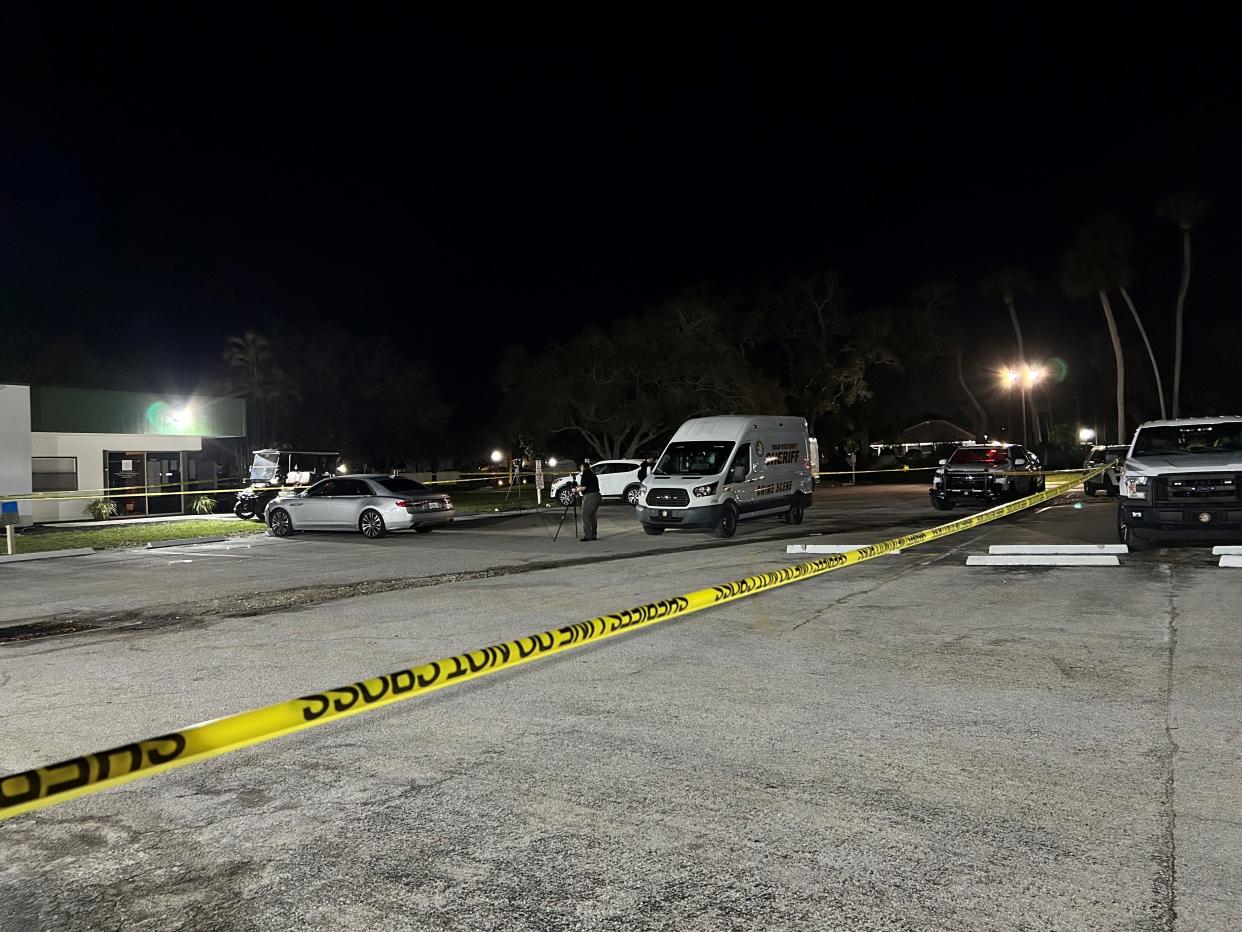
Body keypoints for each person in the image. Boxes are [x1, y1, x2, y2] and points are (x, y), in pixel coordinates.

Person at [577, 459, 601, 541]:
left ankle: (588, 535)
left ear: (583, 467)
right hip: (597, 495)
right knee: (592, 516)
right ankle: (594, 534)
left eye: (581, 467)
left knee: (585, 515)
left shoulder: (585, 474)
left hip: (590, 496)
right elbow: (588, 484)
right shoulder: (593, 474)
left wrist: (576, 490)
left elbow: (584, 487)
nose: (580, 469)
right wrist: (579, 486)